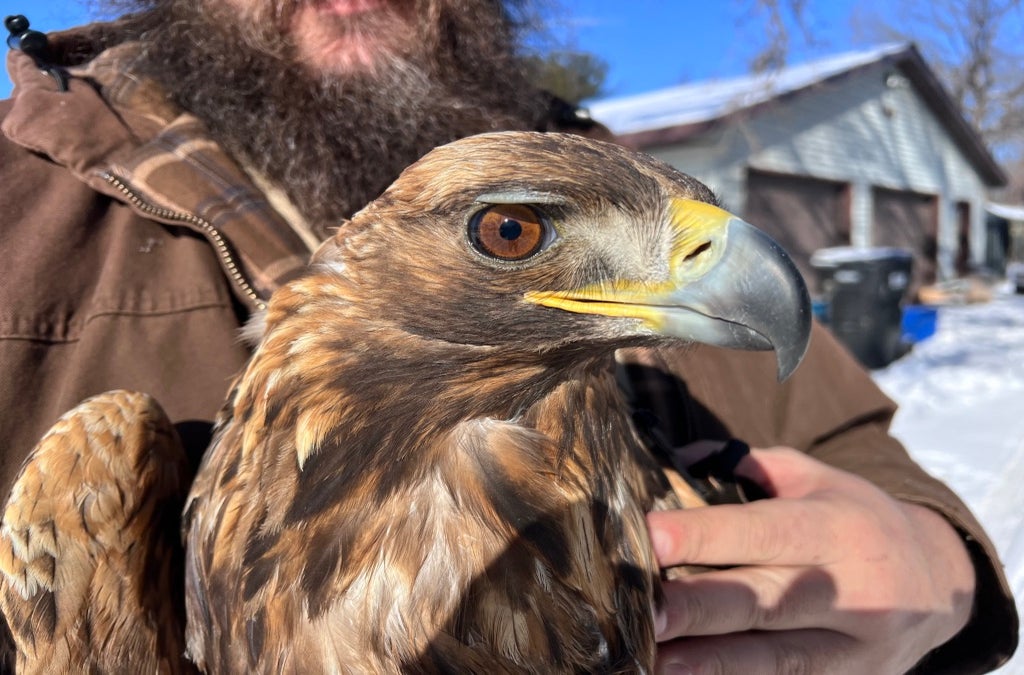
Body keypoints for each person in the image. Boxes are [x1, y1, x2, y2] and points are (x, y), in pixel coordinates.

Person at [0, 1, 1016, 672]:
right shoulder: (21, 214)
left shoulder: (601, 170)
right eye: (512, 232)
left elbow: (849, 454)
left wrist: (932, 565)